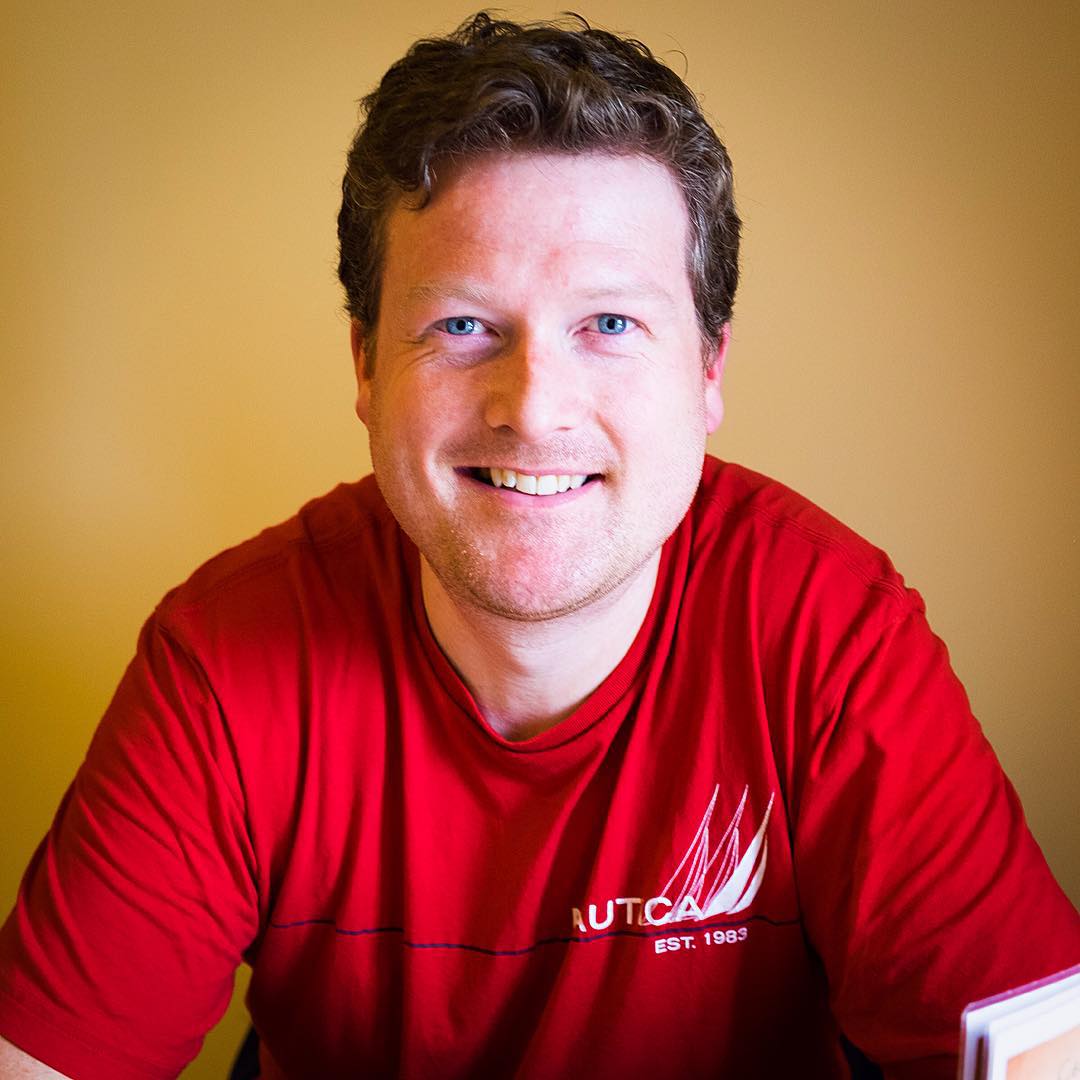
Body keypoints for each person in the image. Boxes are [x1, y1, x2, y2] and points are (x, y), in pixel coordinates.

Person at [1, 11, 1077, 1079]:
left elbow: (1039, 1054)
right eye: (463, 325)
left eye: (609, 324)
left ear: (708, 370)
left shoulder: (829, 632)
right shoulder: (223, 660)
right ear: (367, 367)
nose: (533, 408)